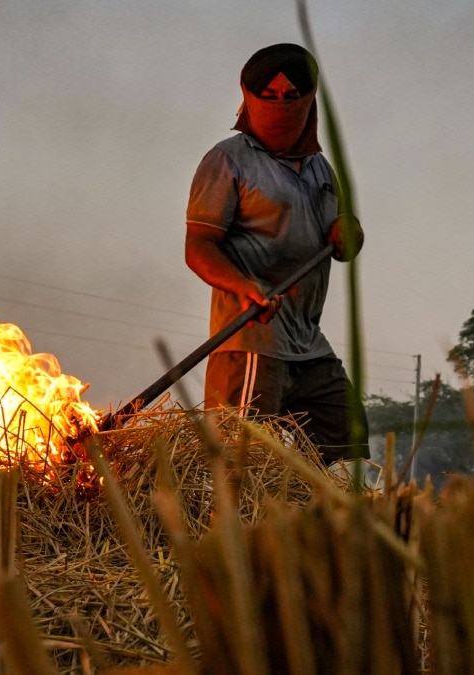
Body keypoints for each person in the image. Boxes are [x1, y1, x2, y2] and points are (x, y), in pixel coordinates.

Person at [184, 43, 367, 464]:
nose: (280, 106)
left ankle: (310, 524)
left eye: (290, 97)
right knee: (237, 460)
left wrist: (349, 230)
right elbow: (198, 248)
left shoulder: (321, 168)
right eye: (269, 97)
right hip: (251, 340)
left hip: (307, 341)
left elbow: (341, 241)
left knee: (344, 441)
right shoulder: (228, 160)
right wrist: (244, 285)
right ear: (250, 99)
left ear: (309, 101)